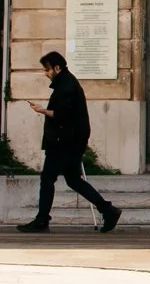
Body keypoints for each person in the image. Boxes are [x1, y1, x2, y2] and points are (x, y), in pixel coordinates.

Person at [17, 51, 120, 233]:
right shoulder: (67, 82)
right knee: (73, 179)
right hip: (70, 140)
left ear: (57, 67)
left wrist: (41, 110)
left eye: (47, 69)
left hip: (63, 141)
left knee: (48, 179)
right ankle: (107, 209)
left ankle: (42, 220)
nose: (45, 73)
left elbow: (62, 115)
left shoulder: (66, 85)